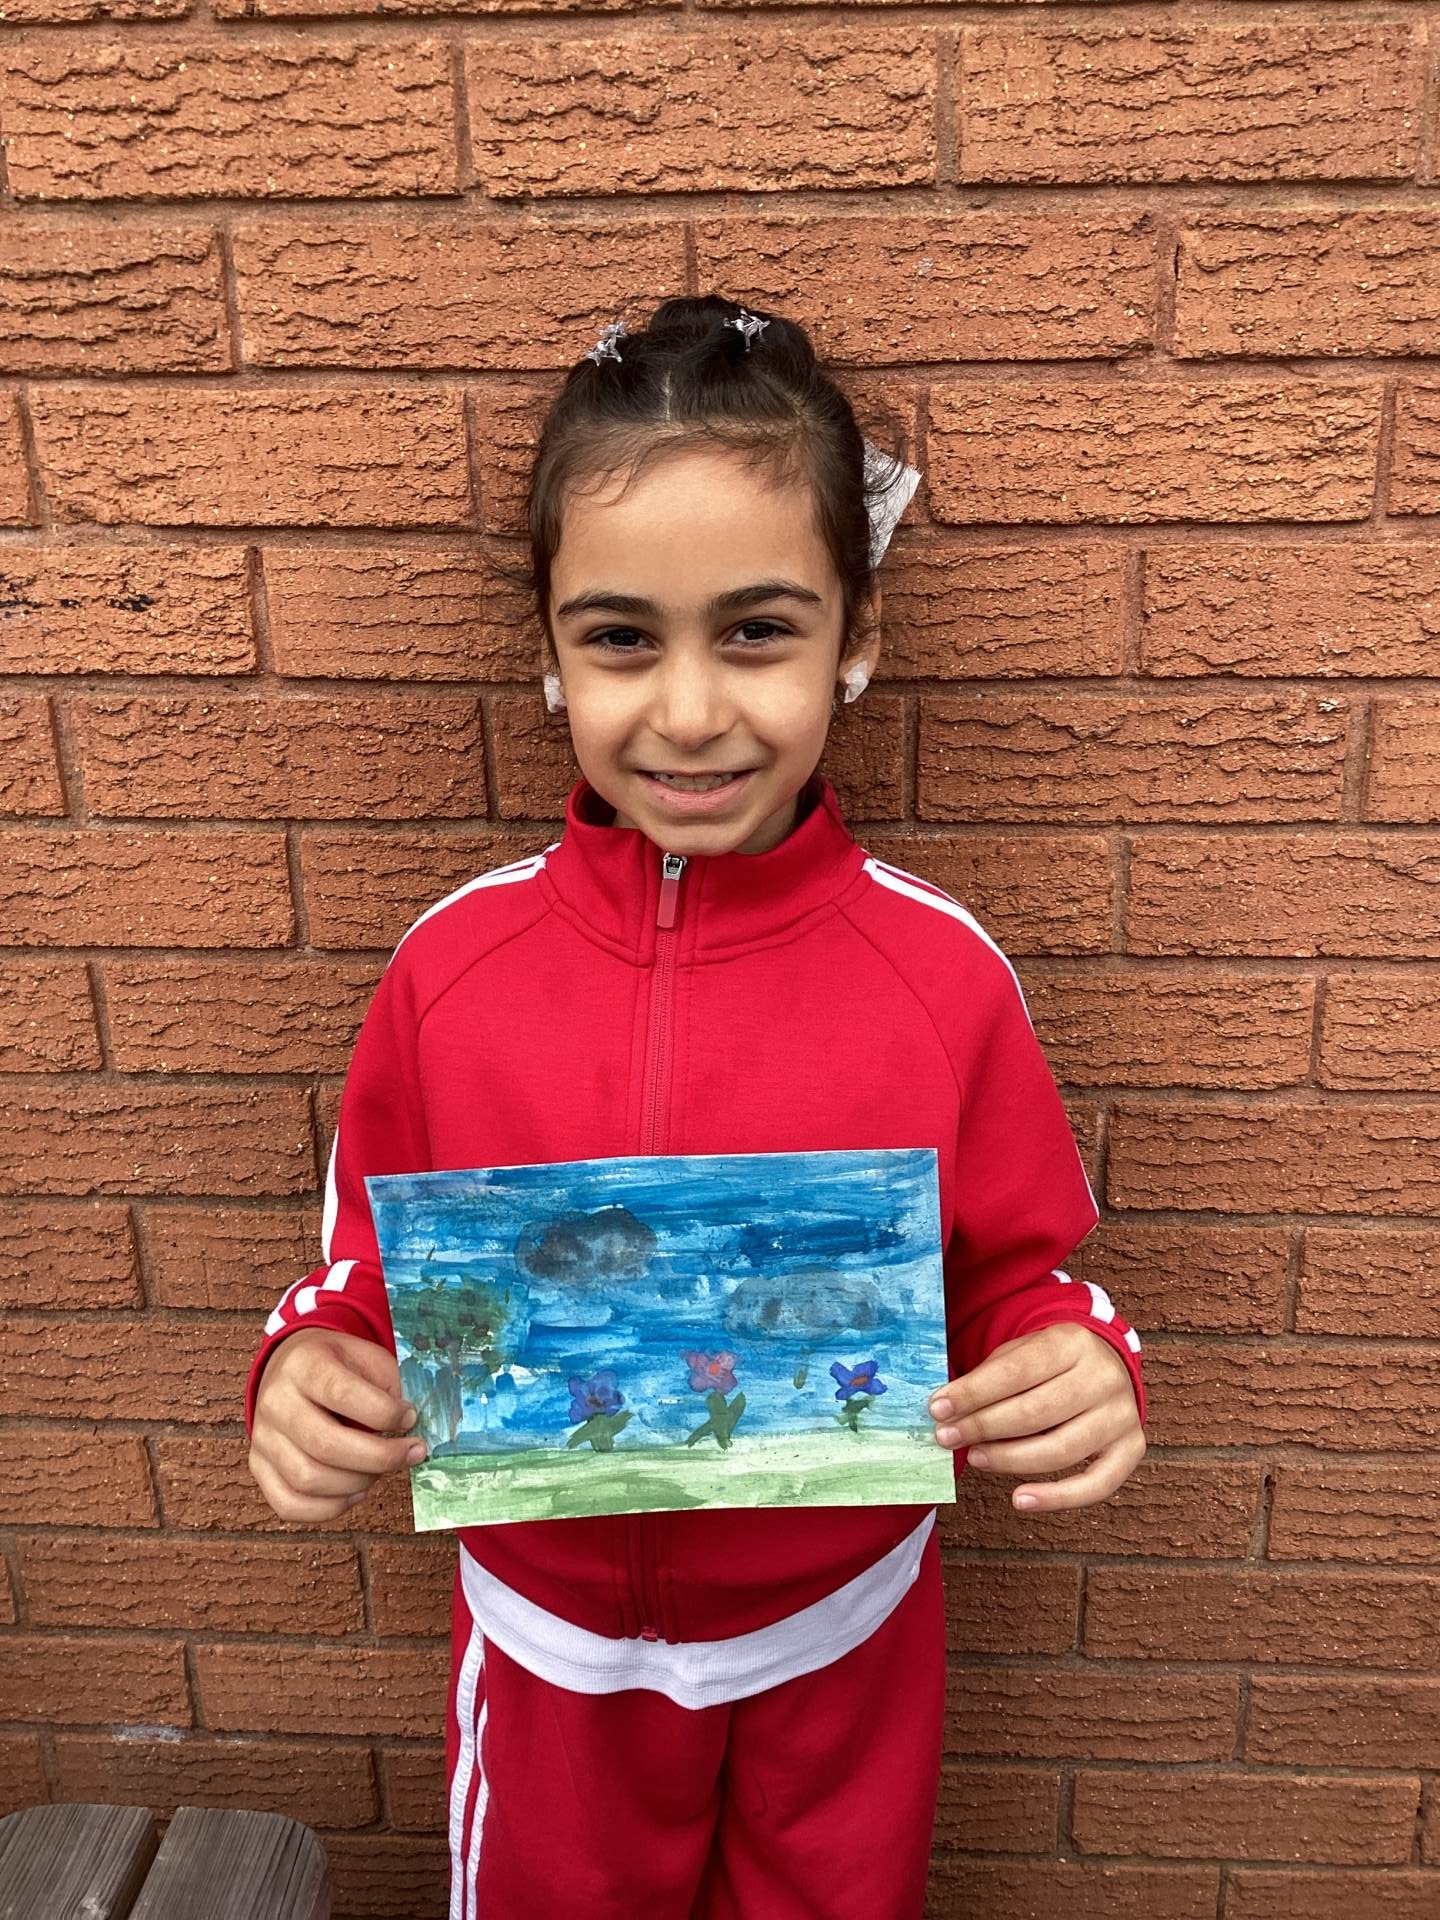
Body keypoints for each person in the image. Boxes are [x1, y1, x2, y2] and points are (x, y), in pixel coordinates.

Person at [245, 295, 1148, 1920]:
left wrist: (1082, 1361)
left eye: (755, 632)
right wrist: (311, 1367)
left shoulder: (943, 977)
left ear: (856, 638)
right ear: (548, 650)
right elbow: (365, 1275)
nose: (686, 711)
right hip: (550, 1657)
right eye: (620, 638)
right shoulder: (450, 971)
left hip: (845, 1638)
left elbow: (1022, 1275)